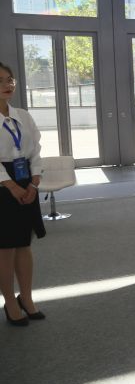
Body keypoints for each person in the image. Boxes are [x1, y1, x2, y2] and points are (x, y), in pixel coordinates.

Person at [0, 62, 46, 326]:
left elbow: (35, 150)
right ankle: (9, 301)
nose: (7, 85)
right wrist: (10, 185)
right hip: (2, 184)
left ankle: (26, 297)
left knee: (24, 244)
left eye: (10, 79)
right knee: (5, 248)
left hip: (26, 179)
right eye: (0, 81)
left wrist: (35, 180)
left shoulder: (23, 116)